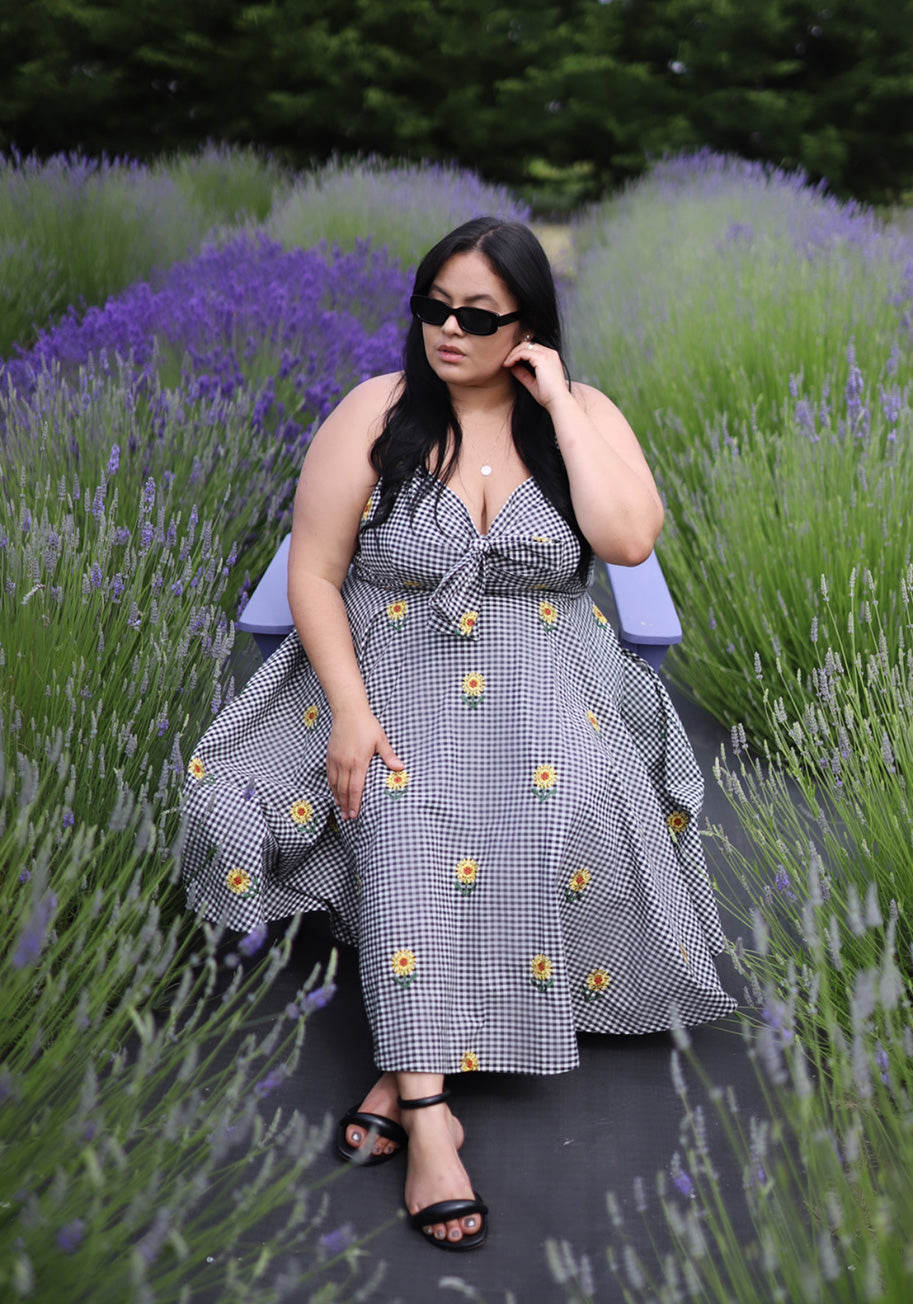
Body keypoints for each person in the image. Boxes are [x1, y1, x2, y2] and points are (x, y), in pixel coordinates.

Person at [180, 216, 736, 1253]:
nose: (446, 329)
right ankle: (433, 1111)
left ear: (529, 324)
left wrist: (559, 406)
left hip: (549, 665)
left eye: (477, 316)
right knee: (401, 798)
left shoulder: (580, 414)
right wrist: (348, 705)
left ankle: (401, 1070)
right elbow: (313, 569)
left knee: (553, 791)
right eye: (432, 306)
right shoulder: (374, 412)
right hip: (386, 663)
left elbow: (624, 538)